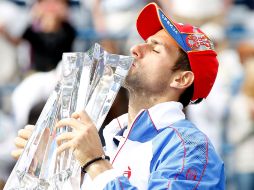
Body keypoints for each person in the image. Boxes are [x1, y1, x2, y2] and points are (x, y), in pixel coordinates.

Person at [12, 2, 225, 189]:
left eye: (155, 49)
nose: (135, 48)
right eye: (145, 41)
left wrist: (95, 162)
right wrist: (47, 167)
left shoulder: (190, 147)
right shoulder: (112, 140)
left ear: (180, 79)